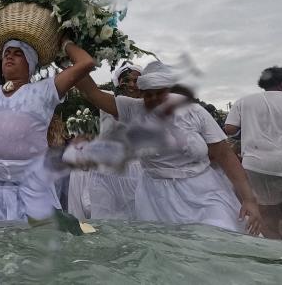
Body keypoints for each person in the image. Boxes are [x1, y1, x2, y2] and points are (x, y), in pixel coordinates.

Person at [76, 61, 262, 235]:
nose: (154, 99)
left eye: (160, 93)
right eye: (149, 94)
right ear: (142, 92)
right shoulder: (132, 108)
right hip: (156, 198)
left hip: (203, 191)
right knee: (169, 247)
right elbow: (91, 92)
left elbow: (225, 155)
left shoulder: (193, 111)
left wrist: (249, 199)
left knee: (220, 232)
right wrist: (72, 60)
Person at [0, 37, 94, 221]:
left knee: (30, 248)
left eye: (18, 54)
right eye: (6, 54)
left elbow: (86, 63)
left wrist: (64, 44)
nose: (10, 57)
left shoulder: (45, 90)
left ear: (30, 63)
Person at [224, 66, 282, 240]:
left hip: (258, 166)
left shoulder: (244, 102)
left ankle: (277, 255)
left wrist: (252, 133)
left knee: (270, 216)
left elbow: (230, 129)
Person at [89, 63, 143, 220]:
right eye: (127, 80)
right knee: (104, 224)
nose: (132, 85)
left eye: (136, 80)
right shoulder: (108, 99)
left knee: (136, 222)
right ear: (118, 82)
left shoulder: (146, 105)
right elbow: (88, 90)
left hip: (135, 174)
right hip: (105, 172)